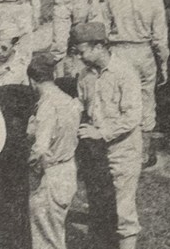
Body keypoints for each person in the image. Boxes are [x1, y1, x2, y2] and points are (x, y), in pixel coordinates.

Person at [71, 22, 143, 249]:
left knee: (123, 210)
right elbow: (80, 105)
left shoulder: (124, 73)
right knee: (99, 205)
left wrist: (100, 133)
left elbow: (132, 117)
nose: (79, 56)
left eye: (82, 51)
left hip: (123, 150)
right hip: (97, 152)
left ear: (100, 46)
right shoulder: (85, 75)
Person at [106, 0, 168, 166]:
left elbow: (104, 25)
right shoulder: (154, 0)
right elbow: (160, 40)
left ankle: (115, 149)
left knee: (116, 99)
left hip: (118, 51)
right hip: (142, 52)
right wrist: (164, 64)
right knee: (145, 100)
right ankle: (143, 155)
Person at [26, 53, 81, 249]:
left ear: (32, 81)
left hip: (50, 175)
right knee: (56, 232)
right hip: (68, 169)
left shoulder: (47, 106)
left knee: (46, 239)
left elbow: (40, 150)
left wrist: (32, 168)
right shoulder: (68, 100)